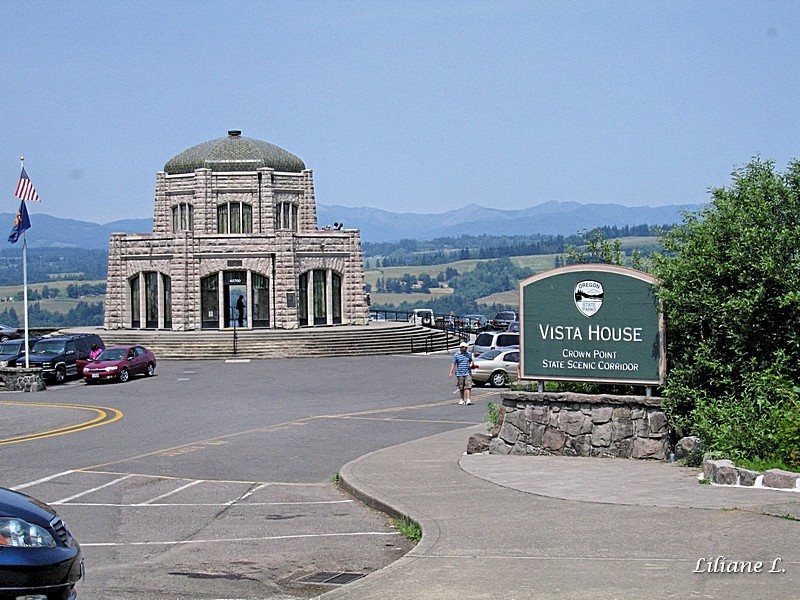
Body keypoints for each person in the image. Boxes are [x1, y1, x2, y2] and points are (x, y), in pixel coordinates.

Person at [449, 341, 475, 405]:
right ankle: (462, 399)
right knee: (461, 387)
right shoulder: (456, 355)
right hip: (459, 373)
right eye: (464, 347)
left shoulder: (468, 354)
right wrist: (450, 373)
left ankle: (468, 399)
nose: (465, 349)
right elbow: (453, 364)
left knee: (468, 386)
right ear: (460, 348)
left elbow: (472, 360)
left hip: (467, 372)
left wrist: (471, 365)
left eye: (466, 347)